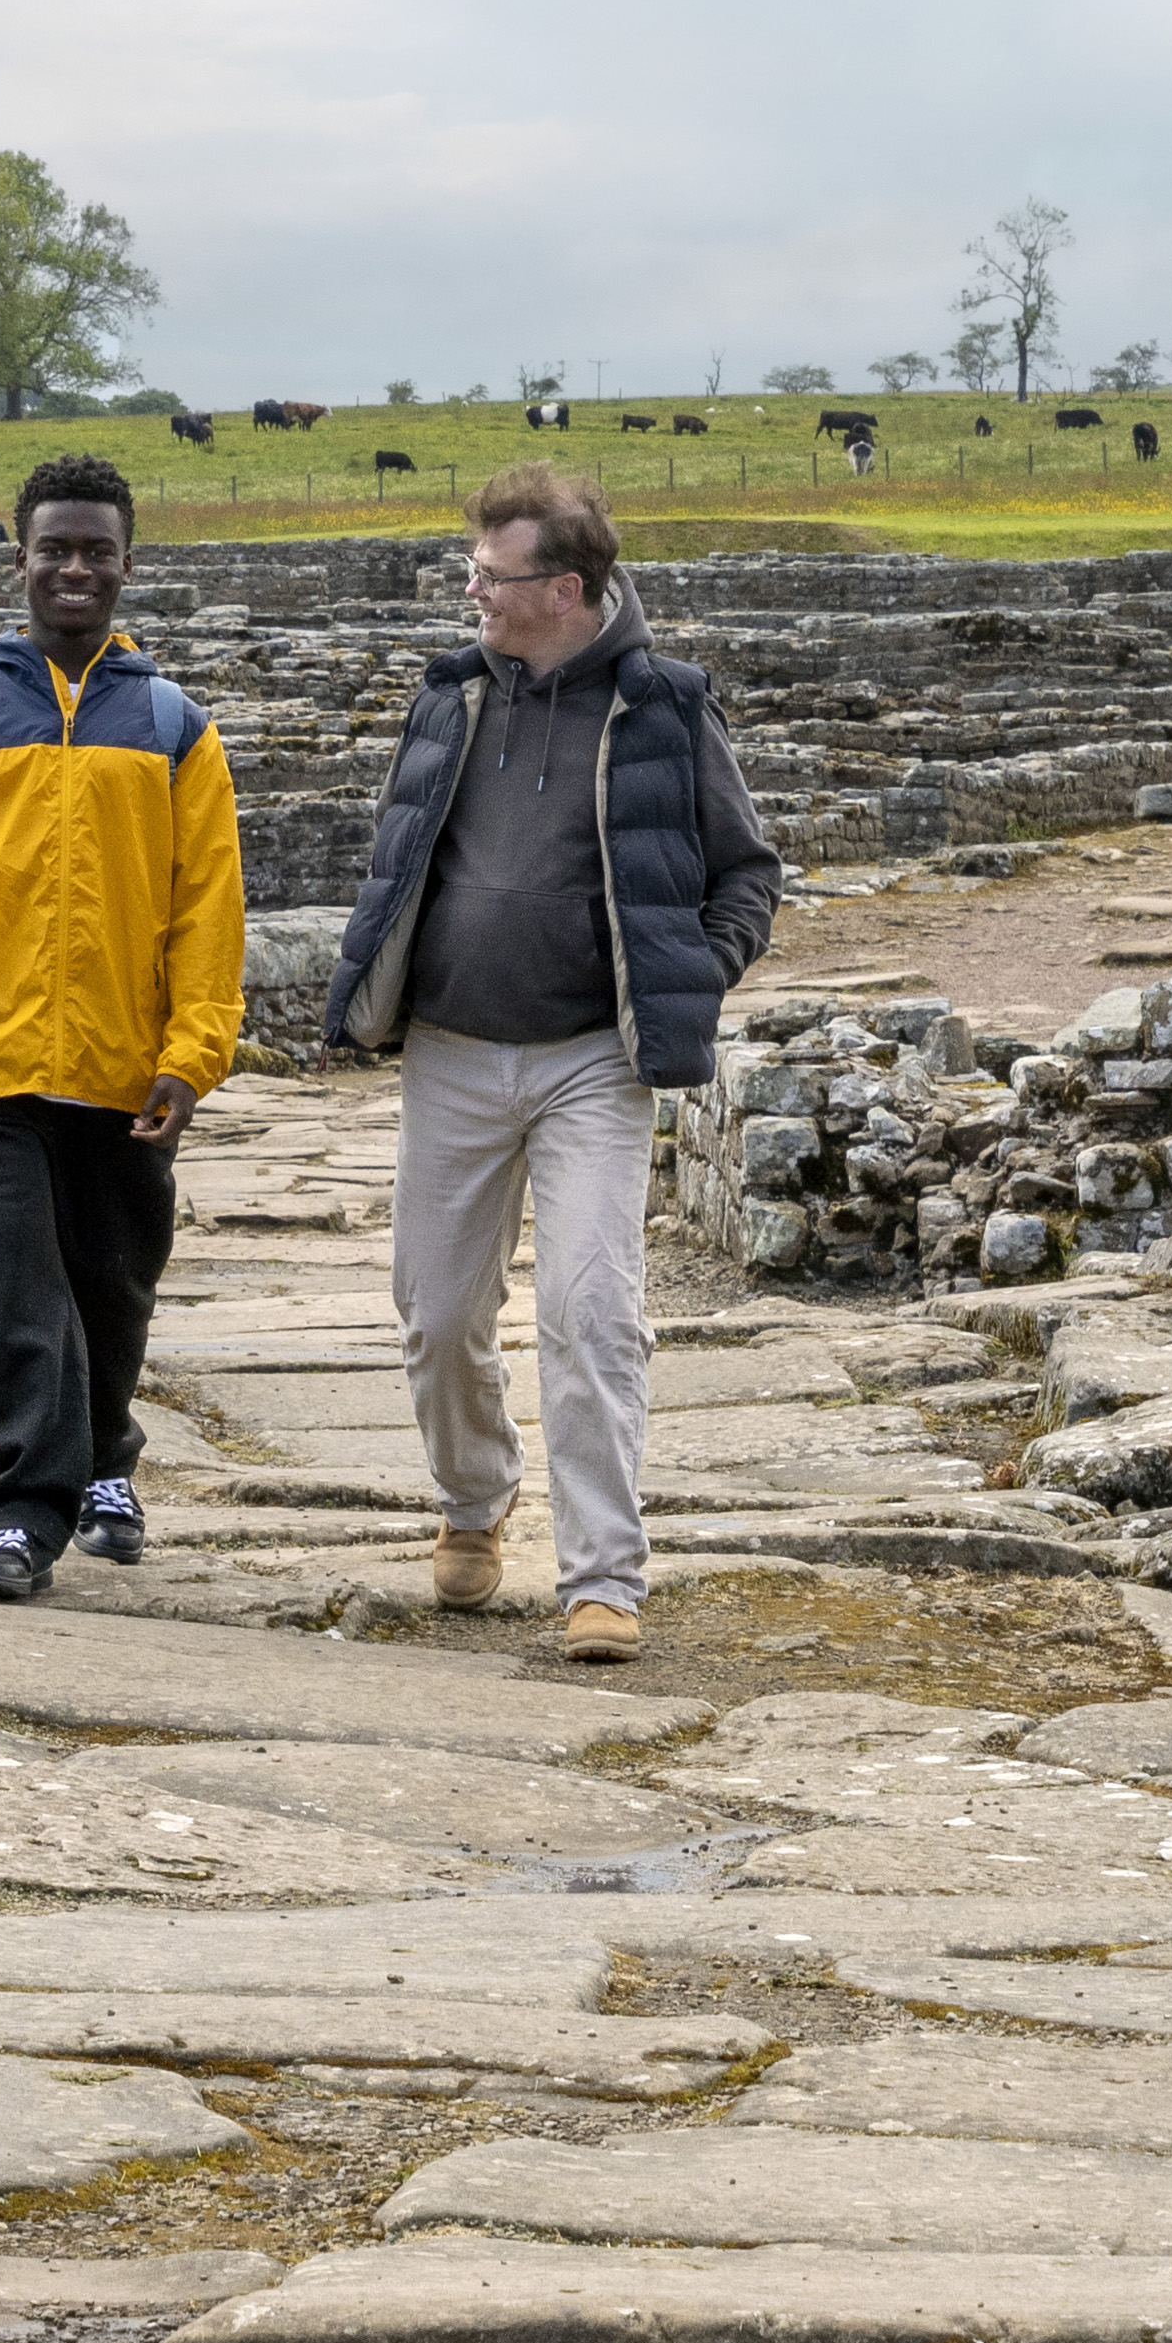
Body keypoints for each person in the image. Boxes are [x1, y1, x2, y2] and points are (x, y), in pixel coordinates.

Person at [324, 457, 778, 1661]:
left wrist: (694, 972)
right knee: (433, 1311)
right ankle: (473, 1505)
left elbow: (747, 870)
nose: (470, 589)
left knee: (590, 1310)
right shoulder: (449, 697)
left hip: (593, 1060)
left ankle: (603, 1580)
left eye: (489, 572)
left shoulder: (668, 705)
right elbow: (400, 852)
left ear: (564, 586)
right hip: (452, 1052)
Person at [0, 452, 246, 1604]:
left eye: (96, 548)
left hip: (125, 1071)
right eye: (54, 546)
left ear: (128, 563)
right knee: (9, 1290)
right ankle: (22, 1511)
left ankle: (104, 1458)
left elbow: (205, 911)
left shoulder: (178, 728)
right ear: (17, 558)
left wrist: (191, 1054)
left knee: (110, 1286)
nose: (74, 566)